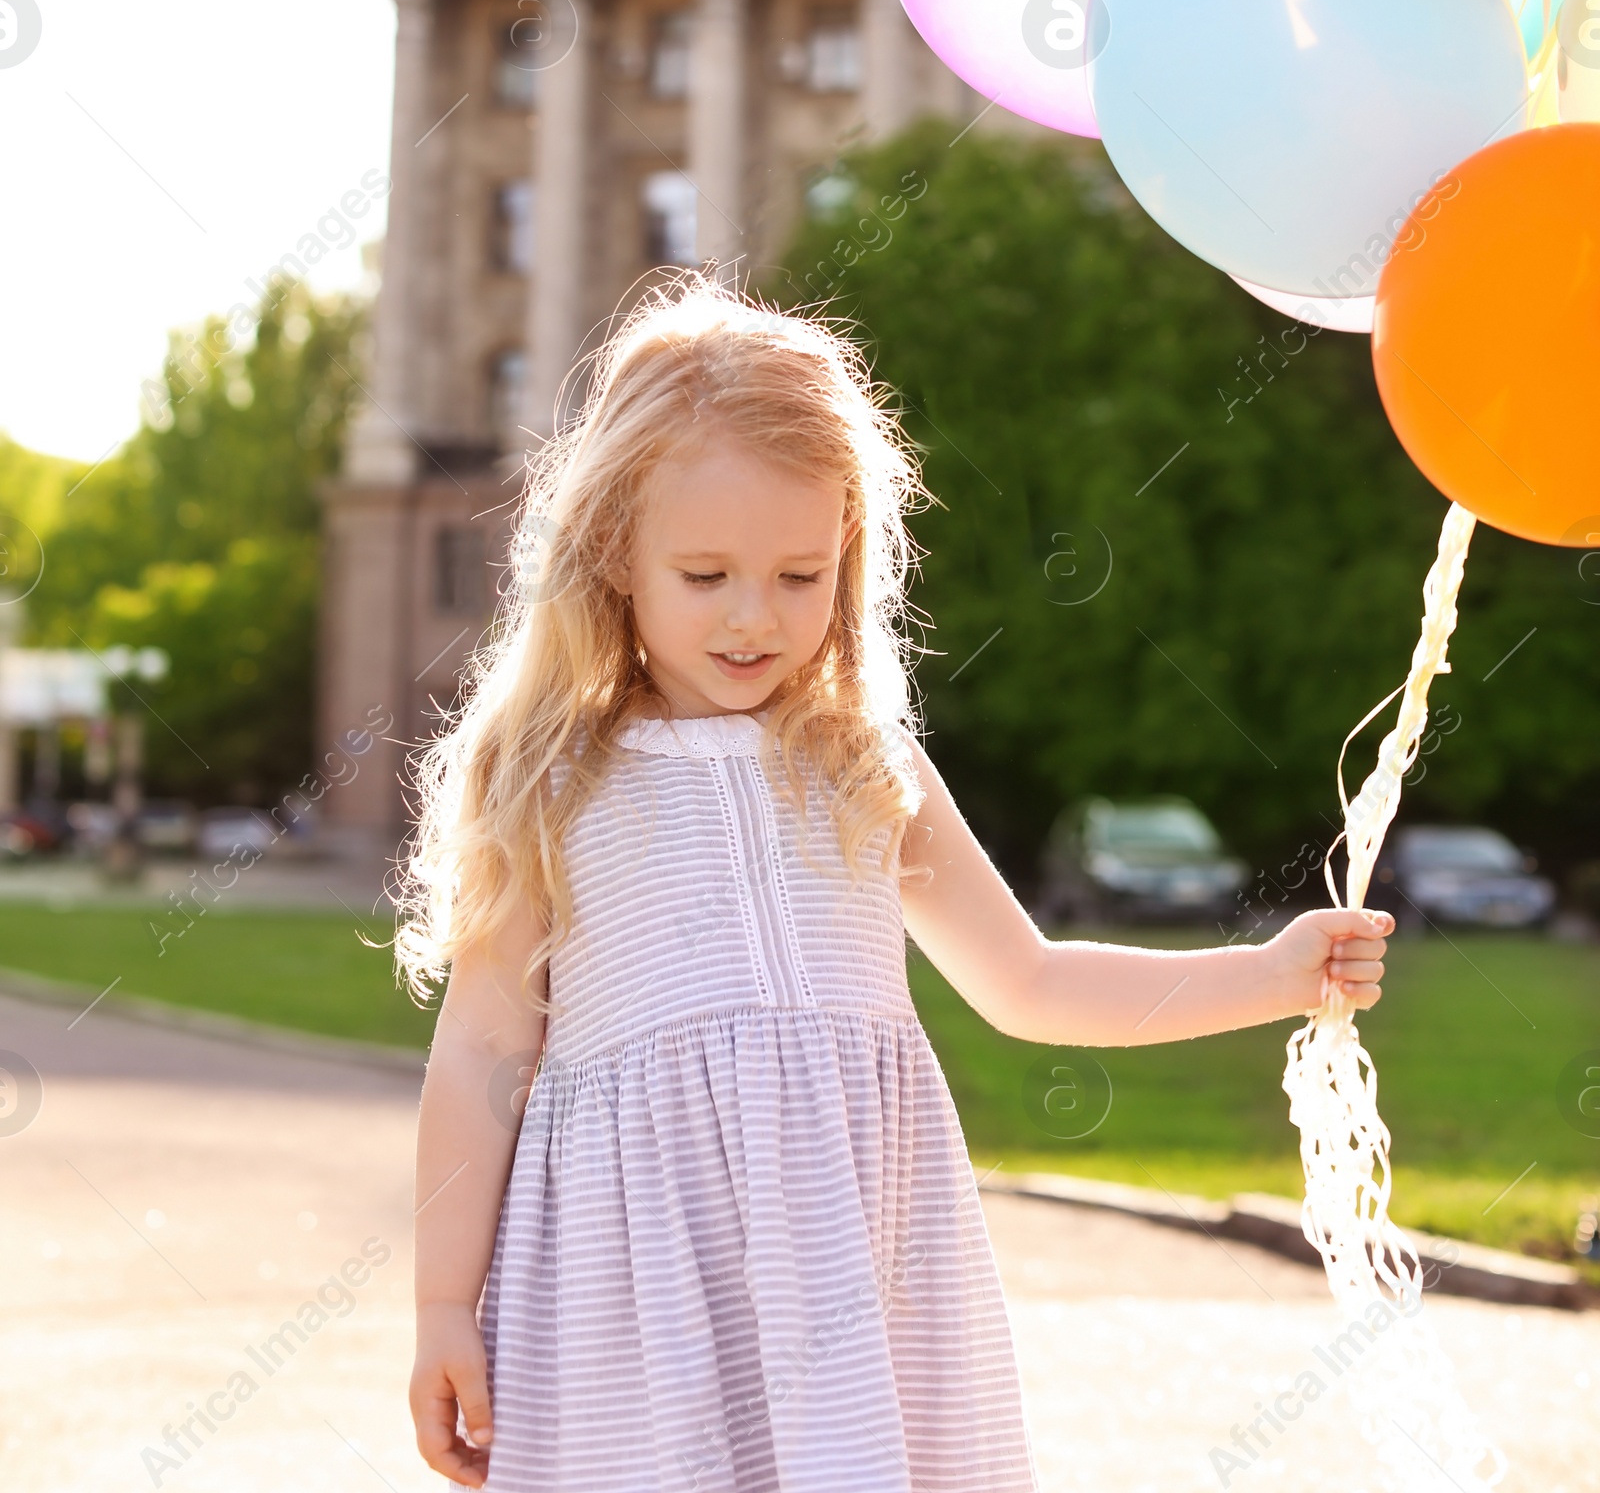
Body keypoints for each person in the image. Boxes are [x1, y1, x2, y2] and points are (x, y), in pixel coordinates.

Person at [399, 283, 1391, 1491]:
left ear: (849, 559)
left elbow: (1029, 981)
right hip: (637, 1298)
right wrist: (444, 1304)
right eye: (705, 575)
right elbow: (479, 1053)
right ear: (614, 551)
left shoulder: (862, 764)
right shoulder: (550, 774)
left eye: (799, 575)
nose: (754, 618)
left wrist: (1268, 974)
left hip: (855, 1285)